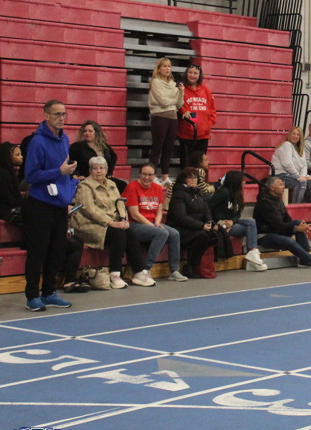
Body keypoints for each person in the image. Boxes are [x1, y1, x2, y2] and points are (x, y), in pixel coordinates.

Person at [22, 100, 79, 312]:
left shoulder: (65, 139)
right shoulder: (37, 142)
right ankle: (32, 295)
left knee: (57, 250)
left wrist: (70, 179)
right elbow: (31, 175)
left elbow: (63, 171)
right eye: (57, 114)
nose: (61, 118)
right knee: (38, 251)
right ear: (46, 116)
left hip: (59, 204)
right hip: (40, 204)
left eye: (64, 114)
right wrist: (59, 172)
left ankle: (48, 292)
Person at [72, 156, 146, 289]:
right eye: (95, 168)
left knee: (128, 231)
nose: (98, 171)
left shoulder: (112, 184)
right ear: (90, 170)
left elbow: (120, 203)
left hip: (111, 223)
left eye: (101, 168)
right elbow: (89, 209)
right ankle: (115, 274)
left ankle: (139, 272)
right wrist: (111, 222)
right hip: (89, 224)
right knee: (118, 233)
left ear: (106, 170)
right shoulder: (84, 186)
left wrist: (123, 219)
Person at [123, 163, 189, 284]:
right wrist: (152, 226)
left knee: (174, 233)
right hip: (134, 224)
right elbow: (135, 214)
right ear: (139, 174)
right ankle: (146, 269)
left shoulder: (157, 188)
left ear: (154, 176)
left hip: (152, 222)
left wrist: (157, 223)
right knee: (162, 233)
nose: (147, 177)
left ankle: (174, 270)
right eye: (144, 174)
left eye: (150, 175)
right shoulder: (132, 187)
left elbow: (159, 210)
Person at [254, 176, 311, 267]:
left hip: (276, 231)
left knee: (298, 223)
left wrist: (301, 227)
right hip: (265, 235)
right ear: (272, 188)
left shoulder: (278, 201)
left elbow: (287, 220)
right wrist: (295, 229)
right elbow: (277, 224)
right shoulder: (264, 202)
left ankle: (304, 258)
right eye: (280, 185)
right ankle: (310, 260)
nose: (283, 187)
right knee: (289, 241)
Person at [208, 170, 267, 270]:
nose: (244, 182)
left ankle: (252, 252)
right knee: (250, 228)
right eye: (242, 180)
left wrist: (232, 221)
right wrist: (213, 223)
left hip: (230, 222)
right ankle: (252, 254)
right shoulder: (223, 193)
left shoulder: (237, 195)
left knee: (251, 222)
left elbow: (237, 214)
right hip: (220, 223)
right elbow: (208, 207)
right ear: (235, 181)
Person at [166, 167, 219, 277]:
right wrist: (201, 226)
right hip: (179, 227)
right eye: (190, 177)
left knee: (214, 233)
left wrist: (210, 222)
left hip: (195, 227)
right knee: (203, 235)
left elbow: (206, 212)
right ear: (183, 179)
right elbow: (181, 217)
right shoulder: (178, 194)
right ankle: (190, 265)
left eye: (195, 177)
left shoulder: (199, 193)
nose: (194, 180)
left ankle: (205, 265)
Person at [148, 57, 183, 182]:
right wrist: (174, 100)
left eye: (169, 66)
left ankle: (165, 176)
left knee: (168, 148)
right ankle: (152, 175)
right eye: (164, 66)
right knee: (157, 147)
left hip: (173, 116)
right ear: (159, 69)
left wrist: (181, 93)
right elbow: (162, 101)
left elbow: (179, 104)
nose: (167, 68)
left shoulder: (174, 84)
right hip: (160, 116)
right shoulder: (156, 82)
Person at [177, 63, 217, 168]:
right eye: (190, 72)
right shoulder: (182, 88)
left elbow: (212, 110)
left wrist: (208, 125)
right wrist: (184, 112)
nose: (192, 75)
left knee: (201, 164)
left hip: (203, 135)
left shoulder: (205, 89)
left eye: (195, 73)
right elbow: (178, 105)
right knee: (186, 164)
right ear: (186, 73)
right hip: (186, 134)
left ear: (199, 75)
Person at [69, 120, 125, 192]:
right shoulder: (77, 146)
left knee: (123, 185)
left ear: (96, 132)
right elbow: (71, 162)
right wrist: (76, 175)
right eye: (85, 131)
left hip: (103, 177)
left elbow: (114, 157)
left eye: (90, 131)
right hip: (86, 177)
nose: (87, 133)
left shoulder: (104, 146)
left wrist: (109, 172)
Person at [272, 126, 311, 203]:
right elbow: (287, 164)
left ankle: (310, 204)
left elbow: (304, 165)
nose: (295, 136)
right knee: (301, 182)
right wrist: (299, 176)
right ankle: (296, 207)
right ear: (289, 134)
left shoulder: (300, 148)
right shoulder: (286, 145)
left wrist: (303, 176)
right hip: (280, 175)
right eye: (293, 134)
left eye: (298, 134)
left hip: (292, 174)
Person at [0, 142, 25, 222]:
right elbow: (9, 199)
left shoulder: (4, 172)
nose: (21, 157)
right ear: (8, 156)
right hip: (0, 211)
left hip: (2, 208)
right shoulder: (3, 174)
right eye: (17, 155)